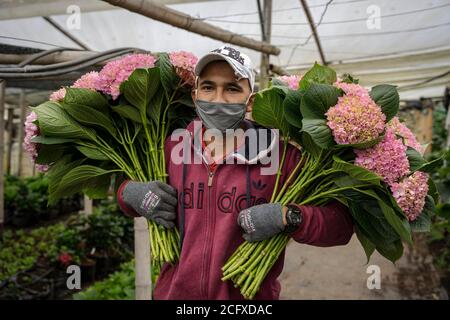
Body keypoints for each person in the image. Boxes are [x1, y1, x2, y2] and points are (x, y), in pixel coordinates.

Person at [117, 46, 354, 300]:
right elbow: (127, 193)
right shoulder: (172, 148)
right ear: (195, 96)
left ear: (250, 100)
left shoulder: (282, 157)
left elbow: (339, 227)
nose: (218, 99)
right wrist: (130, 193)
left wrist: (288, 216)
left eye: (232, 89)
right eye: (208, 87)